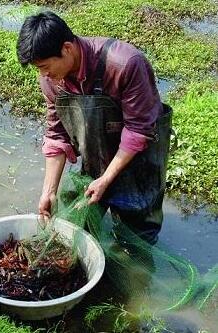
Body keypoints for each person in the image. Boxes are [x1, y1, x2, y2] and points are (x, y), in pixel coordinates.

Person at [17, 11, 172, 244]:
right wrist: (48, 191)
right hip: (97, 158)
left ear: (67, 48)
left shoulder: (126, 64)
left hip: (140, 163)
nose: (43, 74)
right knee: (78, 229)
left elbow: (138, 130)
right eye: (38, 69)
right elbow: (56, 135)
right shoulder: (51, 79)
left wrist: (106, 179)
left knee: (136, 238)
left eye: (45, 66)